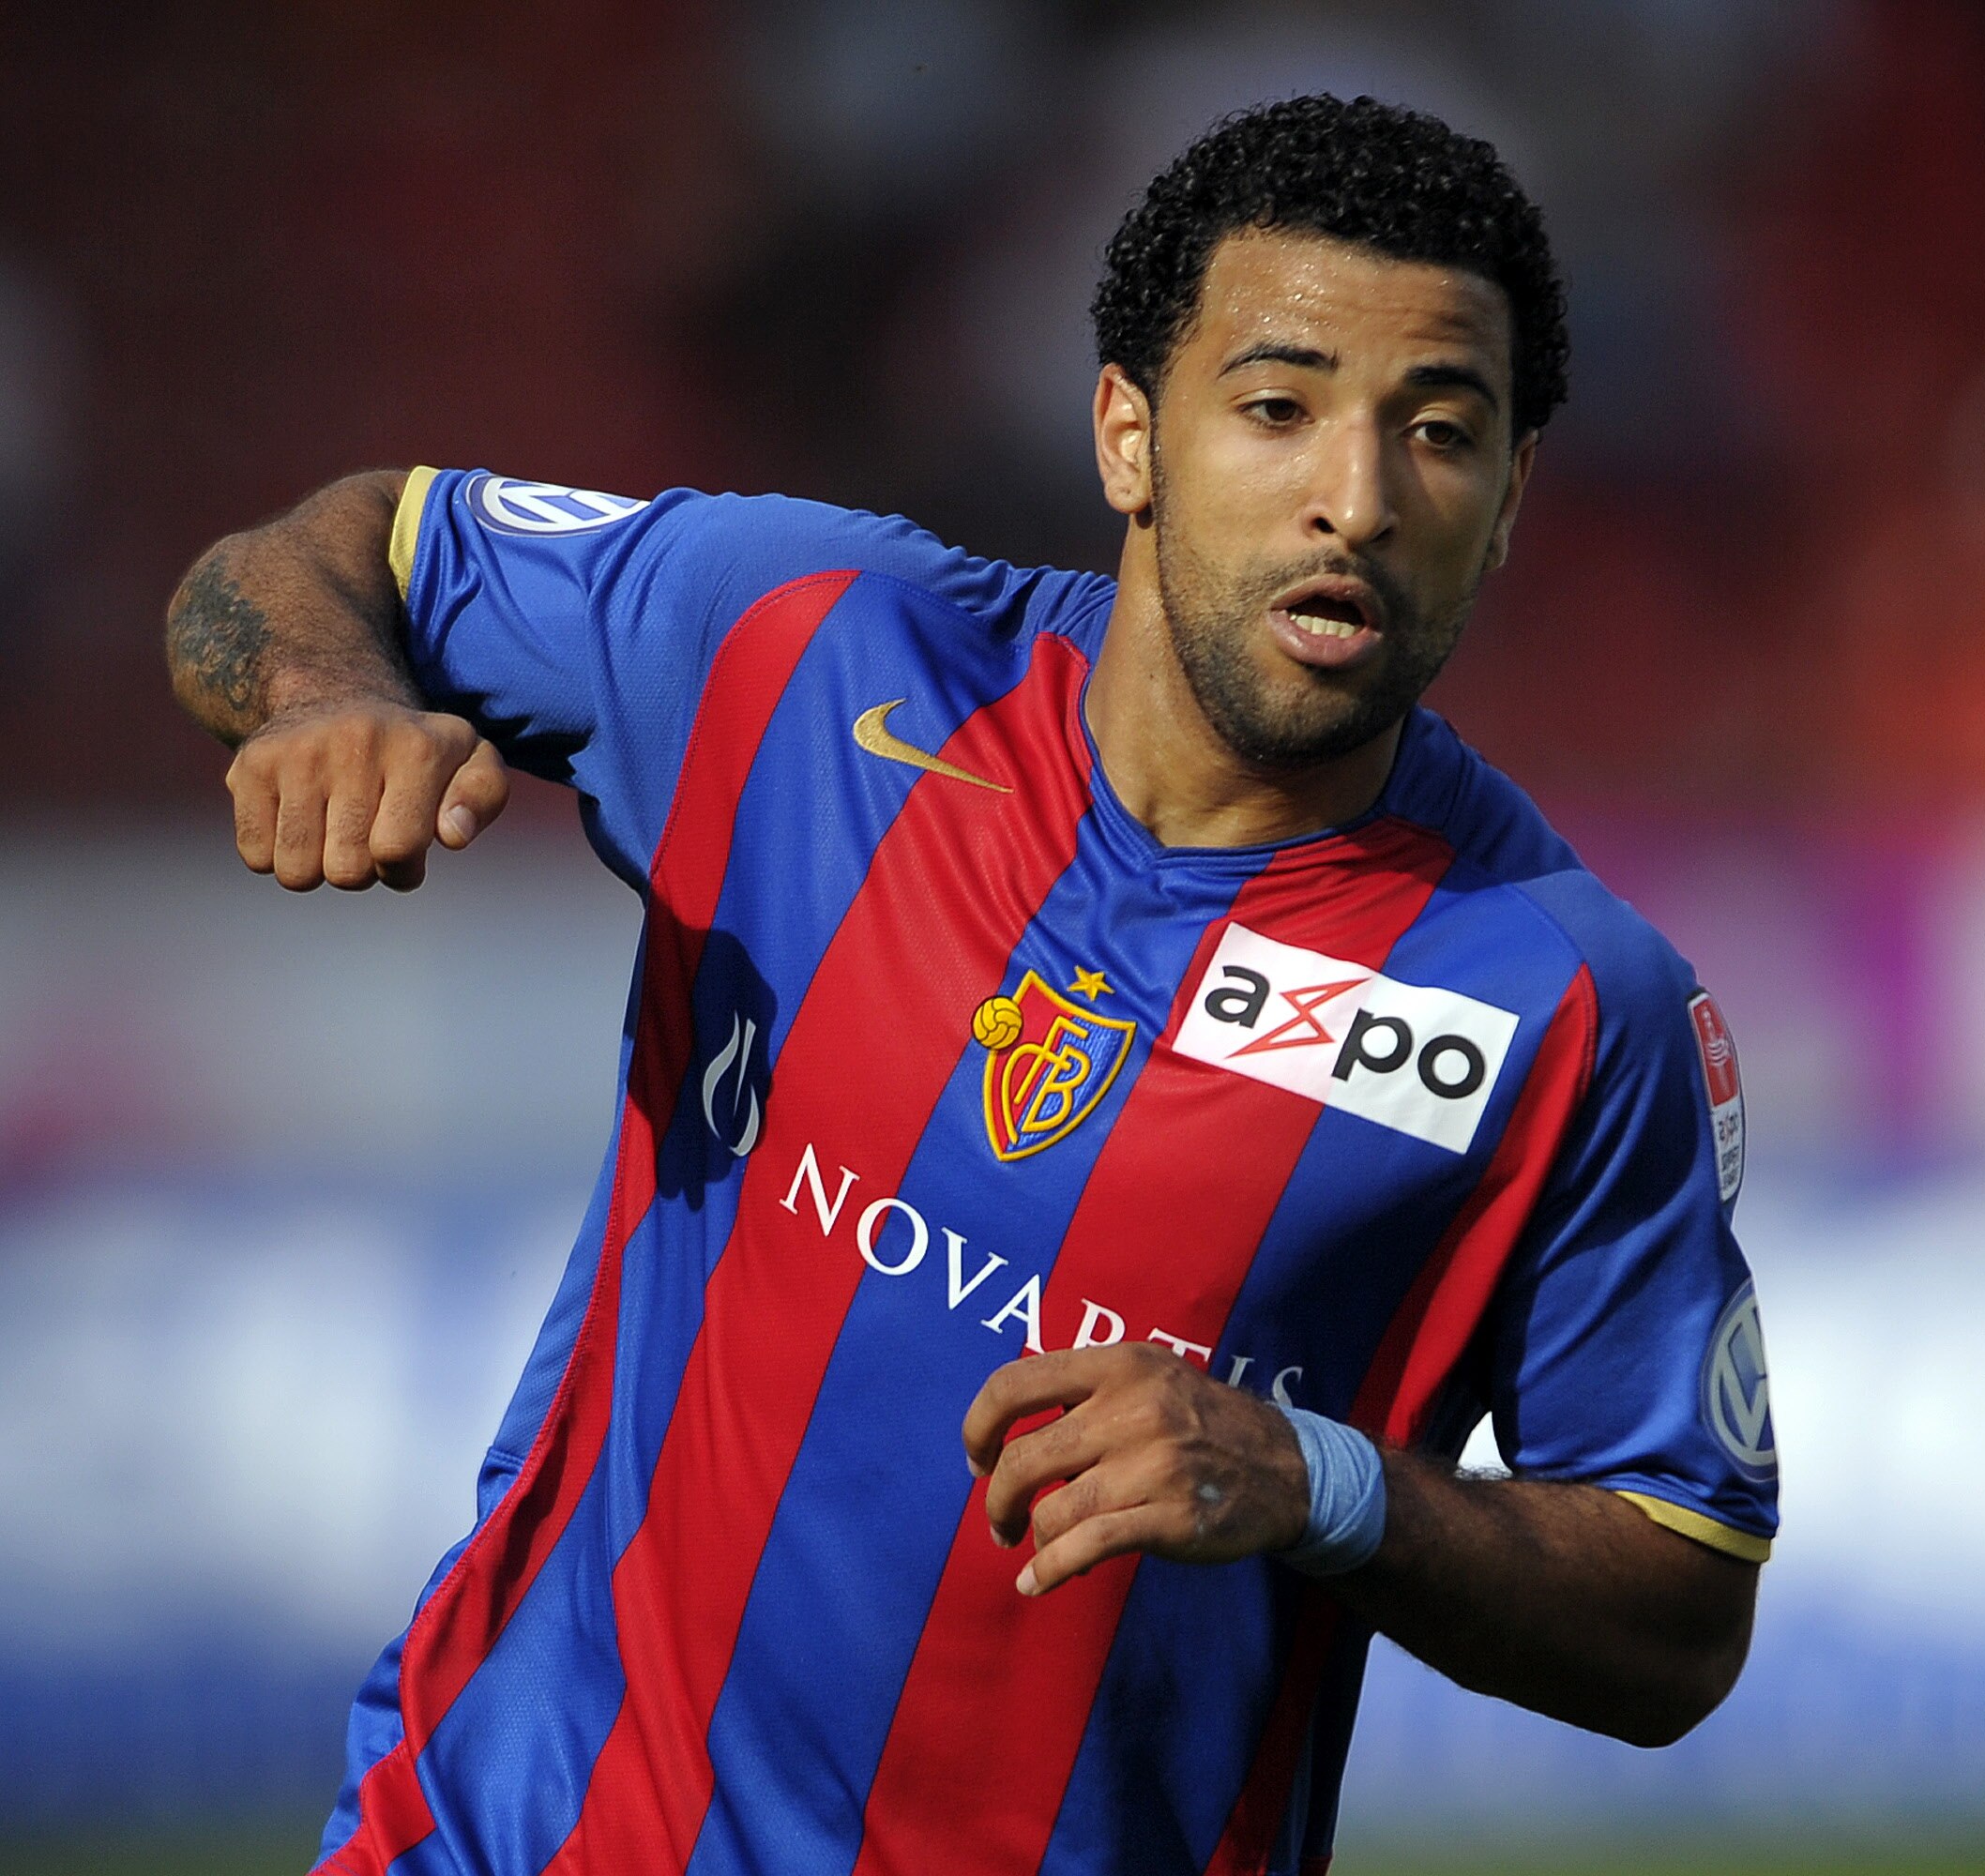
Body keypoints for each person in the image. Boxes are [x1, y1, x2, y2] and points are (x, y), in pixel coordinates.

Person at [163, 95, 1776, 1876]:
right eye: (1276, 407)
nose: (1358, 497)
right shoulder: (804, 644)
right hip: (509, 1837)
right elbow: (328, 554)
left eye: (1442, 434)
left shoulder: (1561, 1004)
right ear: (1126, 433)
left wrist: (1320, 1484)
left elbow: (1678, 1613)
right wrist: (321, 697)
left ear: (1511, 497)